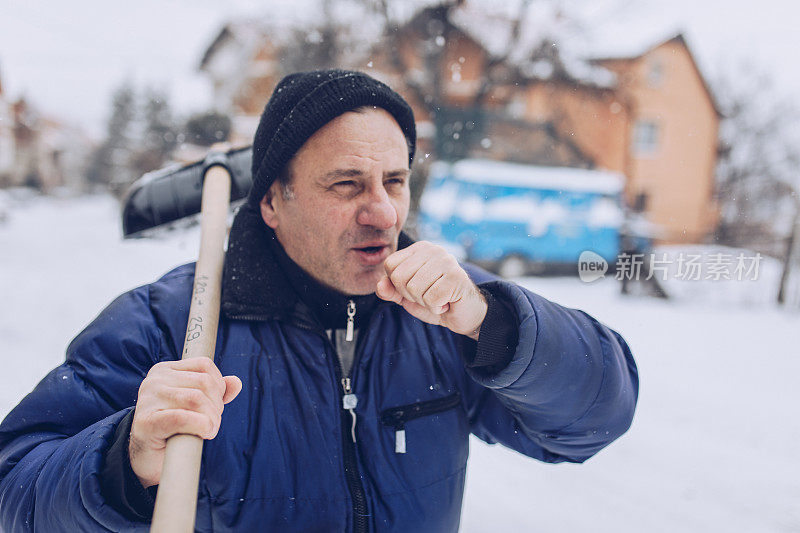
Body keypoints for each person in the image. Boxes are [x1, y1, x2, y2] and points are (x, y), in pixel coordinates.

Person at [0, 70, 638, 532]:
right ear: (273, 202)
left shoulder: (452, 310)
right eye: (346, 184)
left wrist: (494, 324)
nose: (383, 212)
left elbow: (597, 418)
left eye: (395, 181)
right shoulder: (166, 323)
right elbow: (13, 489)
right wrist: (122, 460)